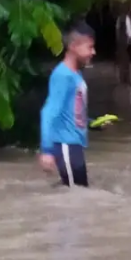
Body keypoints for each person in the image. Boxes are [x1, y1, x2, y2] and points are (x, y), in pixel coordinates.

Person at [38, 21, 102, 187]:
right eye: (90, 47)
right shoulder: (62, 75)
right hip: (66, 146)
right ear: (74, 46)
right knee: (76, 198)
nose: (93, 52)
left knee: (77, 194)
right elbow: (48, 112)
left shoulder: (75, 75)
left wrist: (94, 123)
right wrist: (47, 150)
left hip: (73, 146)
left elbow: (73, 113)